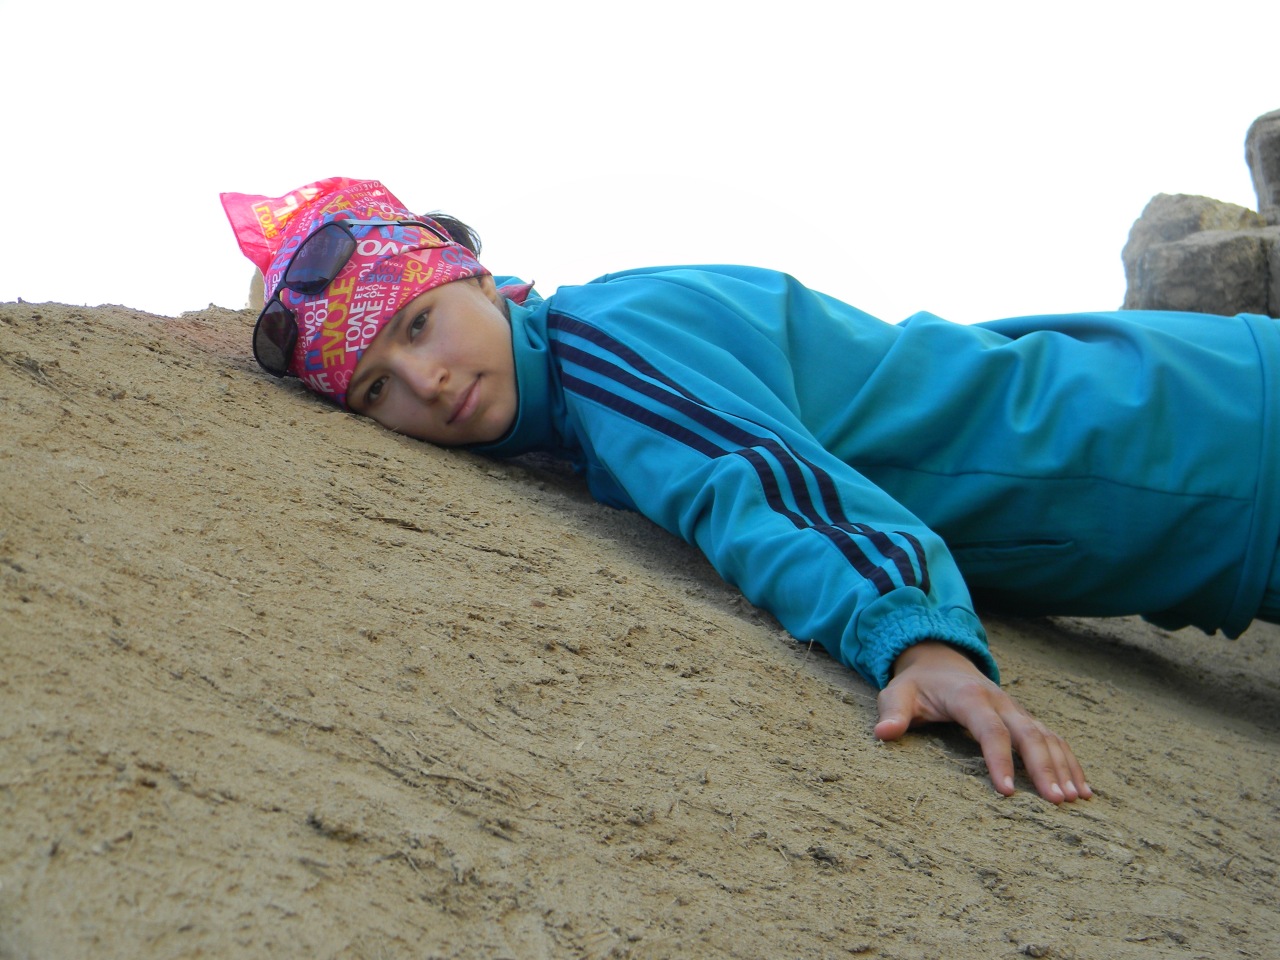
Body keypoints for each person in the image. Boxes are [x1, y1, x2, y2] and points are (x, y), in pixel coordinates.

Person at [220, 177, 1279, 805]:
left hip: (1216, 445)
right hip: (1206, 449)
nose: (425, 381)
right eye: (375, 389)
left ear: (476, 277)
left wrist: (915, 639)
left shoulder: (602, 344)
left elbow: (757, 483)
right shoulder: (578, 384)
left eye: (417, 325)